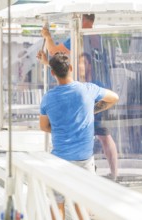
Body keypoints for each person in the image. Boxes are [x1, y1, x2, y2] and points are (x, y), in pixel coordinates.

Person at [37, 52, 119, 220]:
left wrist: (63, 128)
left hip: (59, 160)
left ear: (52, 73)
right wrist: (93, 109)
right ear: (72, 68)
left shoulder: (48, 99)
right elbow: (114, 97)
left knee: (57, 203)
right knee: (80, 206)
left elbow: (44, 127)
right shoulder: (88, 89)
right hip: (84, 161)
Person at [79, 52, 118, 180]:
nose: (81, 66)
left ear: (89, 66)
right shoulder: (77, 84)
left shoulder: (96, 84)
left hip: (97, 117)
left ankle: (114, 173)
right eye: (79, 63)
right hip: (83, 120)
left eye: (83, 63)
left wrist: (93, 110)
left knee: (105, 137)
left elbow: (109, 98)